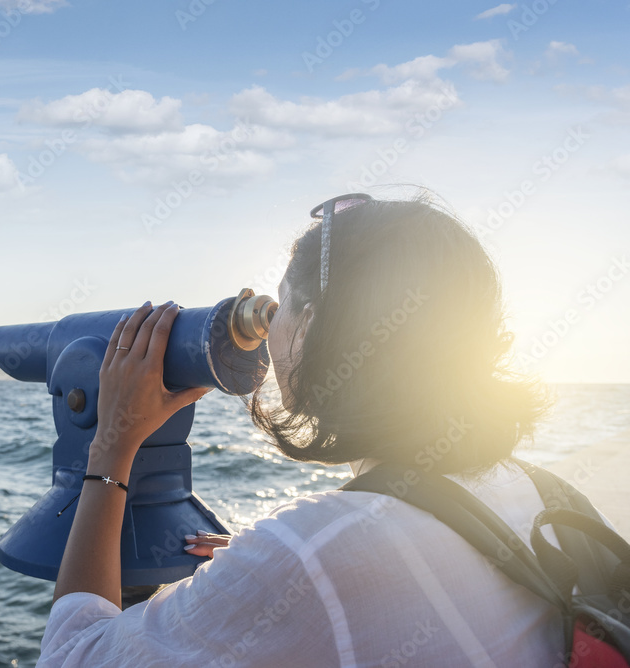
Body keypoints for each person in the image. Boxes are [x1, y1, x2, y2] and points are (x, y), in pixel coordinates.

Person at [36, 192, 585, 667]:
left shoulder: (313, 557)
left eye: (283, 311)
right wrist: (254, 576)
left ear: (316, 328)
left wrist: (113, 443)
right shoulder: (546, 494)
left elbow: (71, 657)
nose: (270, 336)